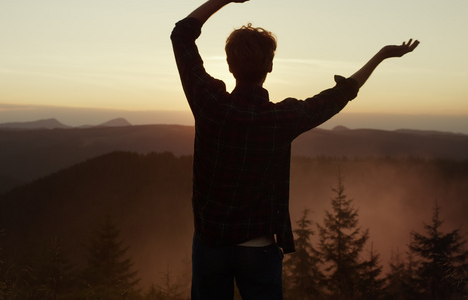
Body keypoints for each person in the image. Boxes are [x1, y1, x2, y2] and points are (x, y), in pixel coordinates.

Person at [171, 0, 419, 299]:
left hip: (210, 243)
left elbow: (181, 35)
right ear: (270, 66)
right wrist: (381, 56)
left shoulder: (210, 104)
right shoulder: (282, 119)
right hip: (259, 248)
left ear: (229, 64)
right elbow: (340, 95)